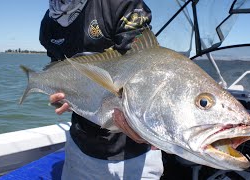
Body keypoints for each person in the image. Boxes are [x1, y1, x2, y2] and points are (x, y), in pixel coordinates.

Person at [39, 0, 163, 179]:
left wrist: (149, 128)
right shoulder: (48, 22)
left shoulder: (119, 3)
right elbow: (56, 67)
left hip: (134, 157)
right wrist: (60, 96)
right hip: (79, 148)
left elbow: (146, 64)